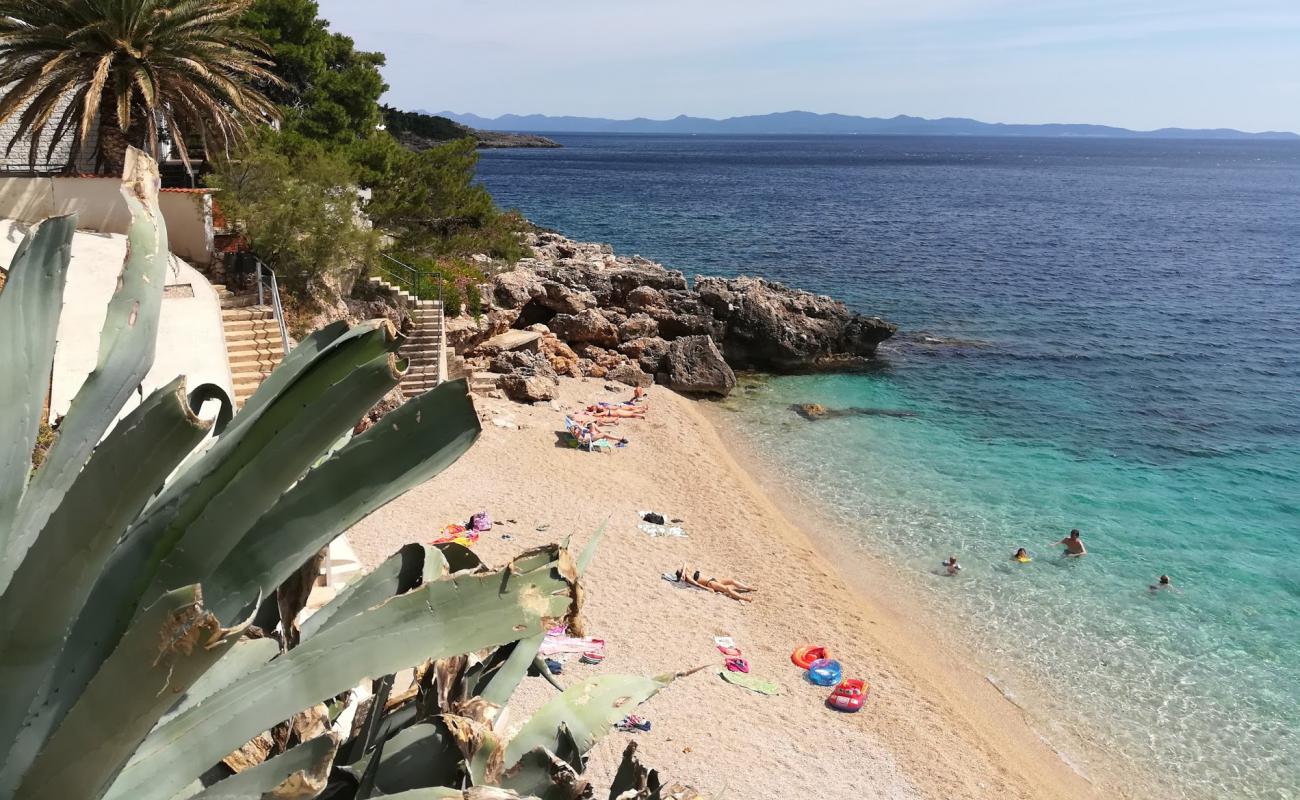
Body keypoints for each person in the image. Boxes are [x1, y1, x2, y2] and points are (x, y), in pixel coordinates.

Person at [673, 565, 755, 602]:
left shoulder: (687, 572)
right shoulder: (689, 578)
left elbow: (685, 563)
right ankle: (745, 598)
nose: (681, 569)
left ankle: (748, 588)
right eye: (680, 570)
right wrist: (707, 589)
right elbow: (697, 584)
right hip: (710, 583)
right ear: (681, 575)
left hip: (713, 580)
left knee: (731, 581)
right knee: (728, 589)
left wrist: (683, 571)